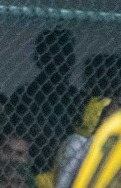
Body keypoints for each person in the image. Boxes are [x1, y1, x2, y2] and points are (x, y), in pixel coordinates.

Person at [8, 28, 87, 175]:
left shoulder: (79, 98)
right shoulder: (25, 96)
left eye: (66, 54)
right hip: (31, 171)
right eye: (54, 55)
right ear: (41, 59)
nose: (61, 62)